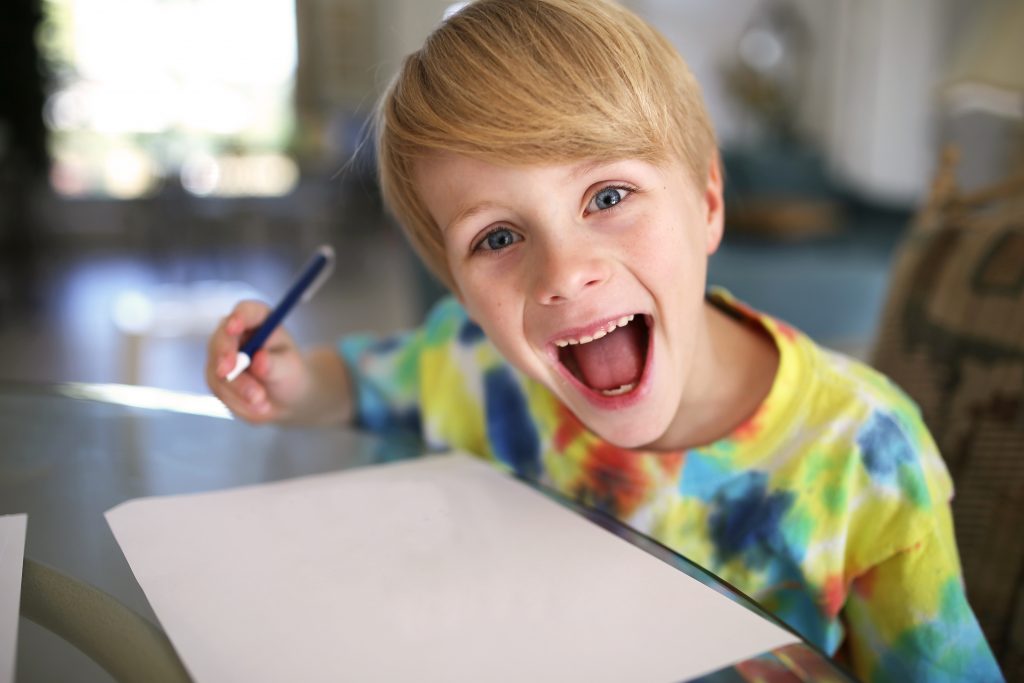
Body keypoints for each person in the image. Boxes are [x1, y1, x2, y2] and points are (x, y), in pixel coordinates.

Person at [205, 1, 1003, 680]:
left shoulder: (865, 454)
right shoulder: (474, 365)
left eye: (609, 194)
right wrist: (291, 376)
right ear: (459, 293)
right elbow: (364, 382)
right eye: (497, 237)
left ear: (708, 202)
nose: (564, 272)